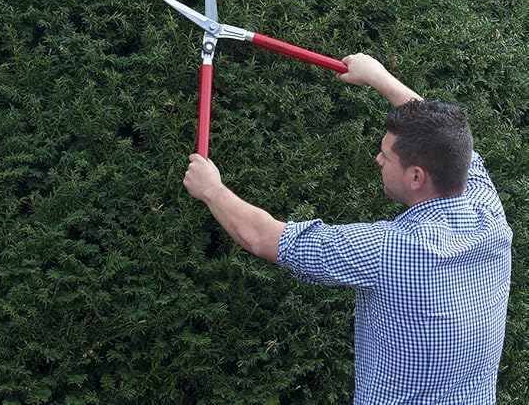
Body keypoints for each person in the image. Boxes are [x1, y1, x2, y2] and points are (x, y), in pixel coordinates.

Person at [183, 53, 512, 405]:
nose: (378, 160)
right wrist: (379, 78)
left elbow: (264, 238)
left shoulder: (390, 249)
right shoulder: (488, 213)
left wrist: (212, 190)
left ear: (417, 177)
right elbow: (445, 137)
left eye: (386, 155)